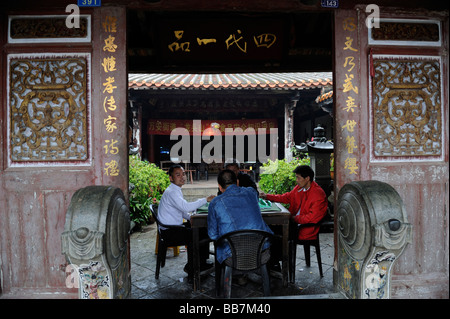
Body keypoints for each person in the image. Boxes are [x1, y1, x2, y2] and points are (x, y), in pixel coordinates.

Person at [158, 164, 215, 275]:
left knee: (201, 229)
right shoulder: (172, 192)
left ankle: (200, 263)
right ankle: (193, 268)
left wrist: (191, 218)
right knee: (198, 234)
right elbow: (186, 207)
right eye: (178, 174)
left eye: (183, 174)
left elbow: (182, 211)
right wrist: (205, 199)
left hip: (173, 228)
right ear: (171, 178)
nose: (182, 177)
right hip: (170, 232)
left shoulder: (175, 189)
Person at [208, 169, 273, 264]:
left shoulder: (215, 203)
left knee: (222, 244)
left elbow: (213, 235)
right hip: (261, 253)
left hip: (232, 257)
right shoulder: (251, 192)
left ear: (219, 187)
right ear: (237, 182)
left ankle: (233, 276)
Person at [260, 165, 328, 241]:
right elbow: (286, 197)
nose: (296, 180)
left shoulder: (318, 194)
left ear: (307, 178)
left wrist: (294, 218)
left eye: (298, 177)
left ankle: (285, 252)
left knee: (273, 233)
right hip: (295, 224)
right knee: (269, 228)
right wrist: (267, 196)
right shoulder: (299, 188)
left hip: (304, 229)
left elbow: (313, 217)